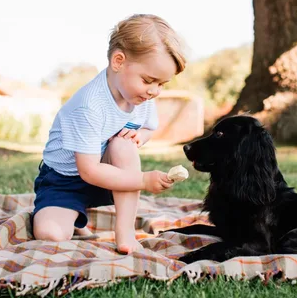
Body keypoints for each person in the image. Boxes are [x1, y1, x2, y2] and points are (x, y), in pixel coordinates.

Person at [31, 14, 187, 254]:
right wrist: (144, 180)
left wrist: (139, 137)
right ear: (118, 61)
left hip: (109, 174)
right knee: (51, 235)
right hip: (65, 180)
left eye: (162, 84)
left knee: (124, 146)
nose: (154, 91)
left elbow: (147, 128)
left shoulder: (140, 96)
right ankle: (70, 215)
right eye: (149, 80)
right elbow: (89, 170)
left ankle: (125, 234)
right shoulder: (89, 106)